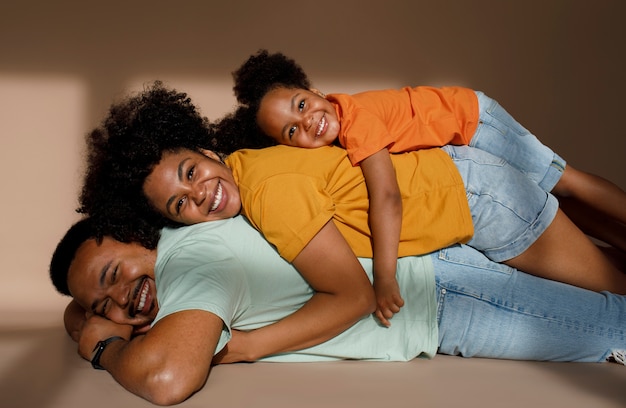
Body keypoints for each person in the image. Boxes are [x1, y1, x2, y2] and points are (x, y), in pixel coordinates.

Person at [79, 80, 625, 327]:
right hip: (461, 188)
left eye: (190, 173)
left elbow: (354, 296)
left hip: (474, 199)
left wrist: (248, 348)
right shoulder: (255, 161)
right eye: (180, 206)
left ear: (205, 149)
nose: (198, 195)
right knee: (599, 260)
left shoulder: (267, 191)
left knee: (614, 289)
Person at [50, 216, 626, 406]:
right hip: (438, 283)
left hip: (445, 295)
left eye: (114, 276)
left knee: (612, 329)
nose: (124, 299)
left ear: (134, 234)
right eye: (105, 305)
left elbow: (169, 377)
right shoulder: (177, 259)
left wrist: (100, 344)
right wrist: (84, 314)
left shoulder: (191, 263)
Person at [230, 50, 626, 319]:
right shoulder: (339, 131)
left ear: (314, 90)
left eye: (302, 105)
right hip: (463, 134)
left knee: (565, 181)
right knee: (554, 200)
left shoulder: (357, 121)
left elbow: (387, 197)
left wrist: (384, 277)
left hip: (472, 121)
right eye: (292, 131)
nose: (308, 122)